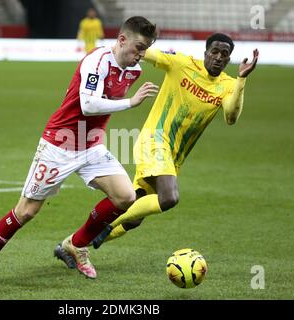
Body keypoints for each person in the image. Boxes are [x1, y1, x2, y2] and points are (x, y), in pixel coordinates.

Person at [0, 16, 158, 286]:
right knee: (26, 212)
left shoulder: (134, 71)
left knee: (125, 197)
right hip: (58, 145)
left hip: (90, 144)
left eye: (146, 48)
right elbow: (88, 105)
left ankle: (76, 244)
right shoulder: (97, 61)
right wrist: (130, 102)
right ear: (122, 39)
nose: (142, 54)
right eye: (139, 46)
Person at [90, 33, 259, 249]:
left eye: (224, 54)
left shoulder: (228, 85)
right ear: (205, 53)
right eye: (214, 52)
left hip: (173, 156)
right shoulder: (181, 63)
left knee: (135, 215)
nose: (218, 57)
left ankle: (79, 243)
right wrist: (122, 43)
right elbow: (145, 52)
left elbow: (231, 118)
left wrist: (242, 79)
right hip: (154, 140)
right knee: (169, 198)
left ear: (228, 60)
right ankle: (109, 225)